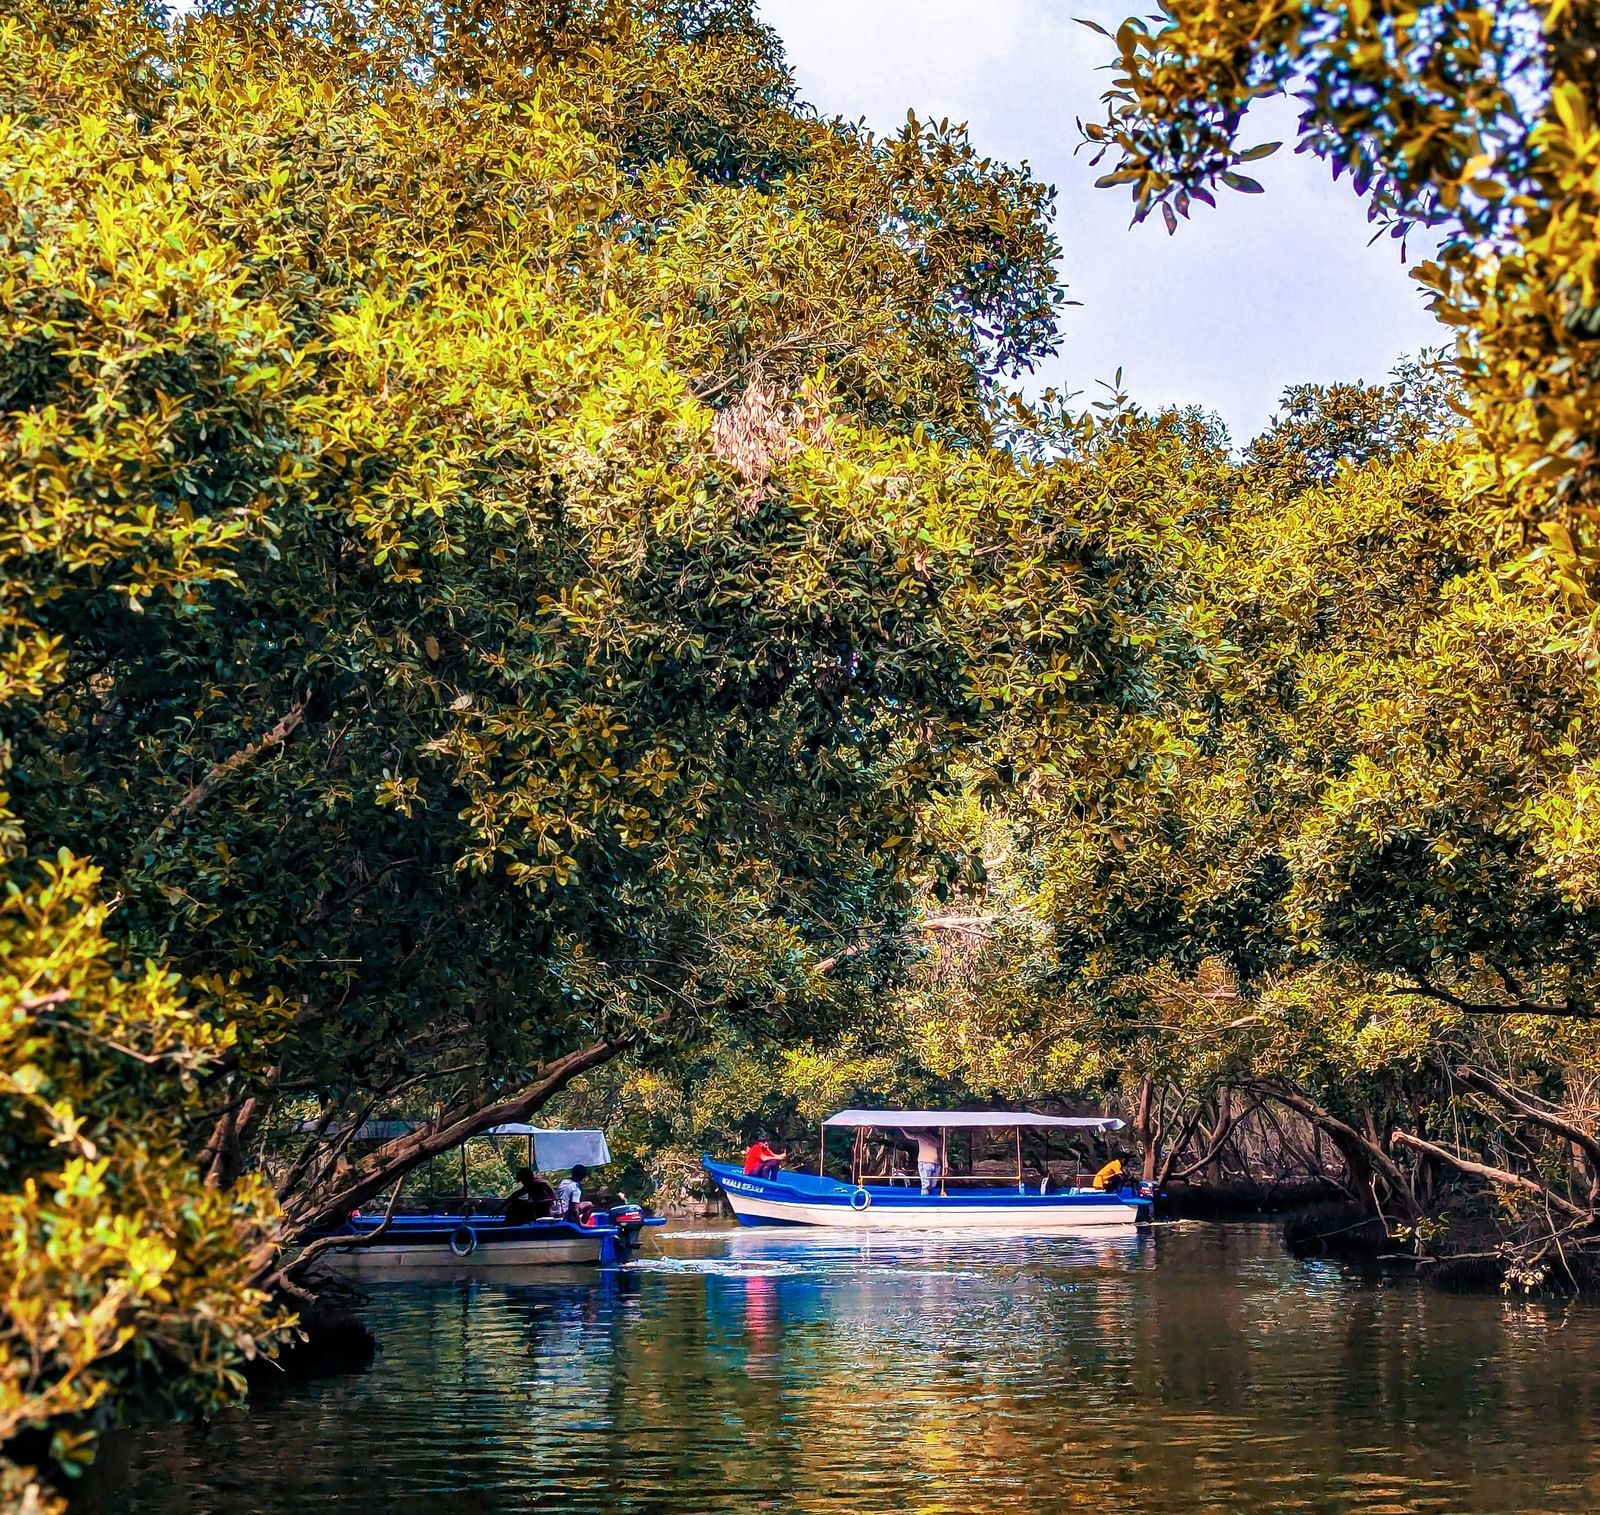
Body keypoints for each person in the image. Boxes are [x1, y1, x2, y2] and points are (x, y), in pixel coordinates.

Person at [899, 1127, 943, 1195]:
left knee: (932, 1186)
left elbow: (942, 1151)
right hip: (925, 1163)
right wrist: (901, 1128)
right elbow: (910, 1135)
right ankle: (925, 1202)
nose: (936, 1129)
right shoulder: (922, 1135)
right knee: (925, 1185)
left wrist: (944, 1164)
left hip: (936, 1164)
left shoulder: (939, 1138)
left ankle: (930, 1201)